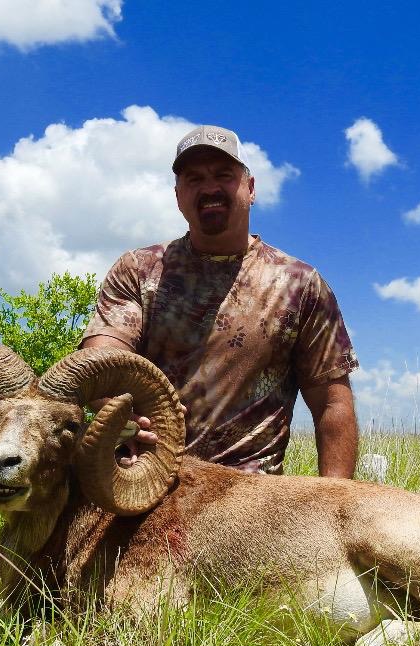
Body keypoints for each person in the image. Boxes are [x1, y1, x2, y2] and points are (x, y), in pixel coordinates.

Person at [81, 125, 359, 478]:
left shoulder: (300, 285)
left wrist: (332, 509)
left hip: (246, 500)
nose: (210, 188)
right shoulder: (138, 270)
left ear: (251, 188)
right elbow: (97, 365)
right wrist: (123, 413)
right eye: (194, 179)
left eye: (224, 175)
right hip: (144, 476)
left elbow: (332, 405)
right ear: (178, 195)